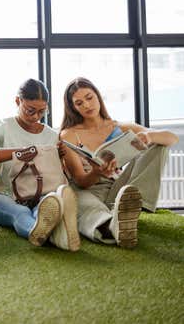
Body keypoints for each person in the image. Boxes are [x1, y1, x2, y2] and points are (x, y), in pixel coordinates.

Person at [60, 77, 178, 248]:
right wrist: (97, 172)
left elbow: (172, 138)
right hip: (89, 190)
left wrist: (150, 136)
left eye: (89, 97)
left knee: (159, 145)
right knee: (78, 200)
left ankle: (135, 202)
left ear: (98, 97)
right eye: (79, 103)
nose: (86, 105)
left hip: (119, 188)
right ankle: (112, 226)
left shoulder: (120, 127)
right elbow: (80, 180)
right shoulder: (69, 134)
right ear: (73, 108)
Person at [0, 79, 79, 251]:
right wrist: (22, 152)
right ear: (17, 101)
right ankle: (46, 235)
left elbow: (57, 173)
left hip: (39, 197)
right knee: (20, 213)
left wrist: (62, 158)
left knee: (43, 209)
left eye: (42, 111)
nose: (36, 116)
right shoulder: (2, 127)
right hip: (1, 196)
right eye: (30, 110)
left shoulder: (52, 135)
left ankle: (49, 231)